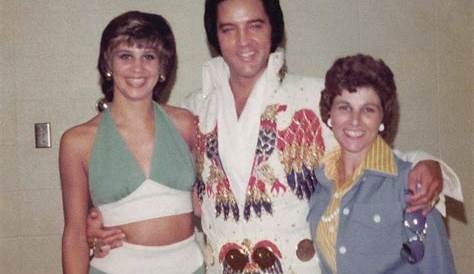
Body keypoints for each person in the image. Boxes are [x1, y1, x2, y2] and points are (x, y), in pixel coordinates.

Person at [87, 1, 463, 273]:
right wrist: (103, 219)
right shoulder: (194, 110)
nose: (243, 41)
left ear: (274, 29)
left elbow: (368, 145)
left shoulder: (313, 97)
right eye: (228, 29)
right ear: (214, 36)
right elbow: (162, 182)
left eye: (255, 25)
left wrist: (425, 162)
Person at [59, 11, 204, 274]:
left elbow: (215, 198)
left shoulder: (186, 124)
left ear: (163, 67)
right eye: (125, 56)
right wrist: (90, 234)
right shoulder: (77, 142)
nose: (137, 68)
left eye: (148, 56)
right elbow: (74, 235)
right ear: (107, 65)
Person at [307, 54, 456, 273]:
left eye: (368, 109)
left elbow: (439, 267)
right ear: (330, 114)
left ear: (382, 119)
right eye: (344, 107)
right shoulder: (320, 185)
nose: (355, 120)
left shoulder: (412, 184)